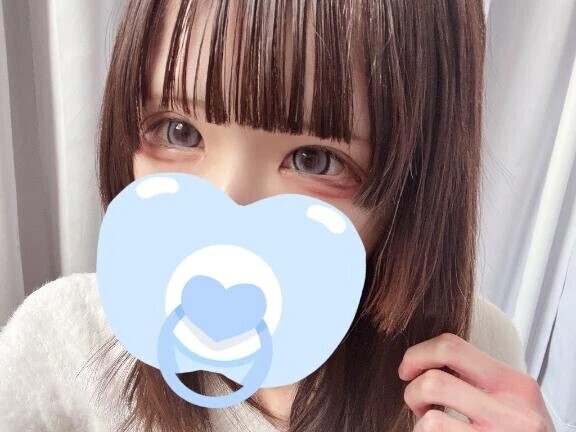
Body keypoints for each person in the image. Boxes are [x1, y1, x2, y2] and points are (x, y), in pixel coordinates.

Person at [0, 0, 556, 431]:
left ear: (416, 184)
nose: (225, 208)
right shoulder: (62, 341)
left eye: (314, 160)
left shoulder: (469, 359)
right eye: (179, 131)